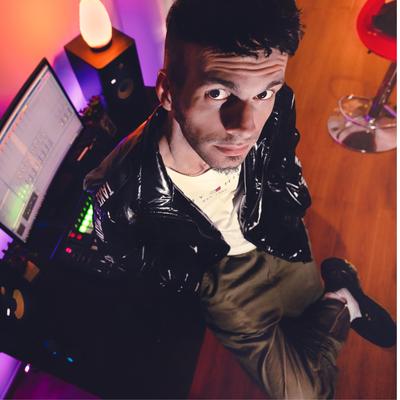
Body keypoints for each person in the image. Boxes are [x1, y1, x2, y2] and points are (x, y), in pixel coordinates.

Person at [83, 0, 396, 398]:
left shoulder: (275, 106)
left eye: (264, 93)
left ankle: (339, 298)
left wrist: (288, 209)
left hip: (275, 231)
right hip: (220, 275)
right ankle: (345, 300)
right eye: (217, 93)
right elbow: (129, 261)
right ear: (167, 92)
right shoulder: (121, 189)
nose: (245, 127)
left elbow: (283, 162)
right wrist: (195, 279)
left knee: (307, 311)